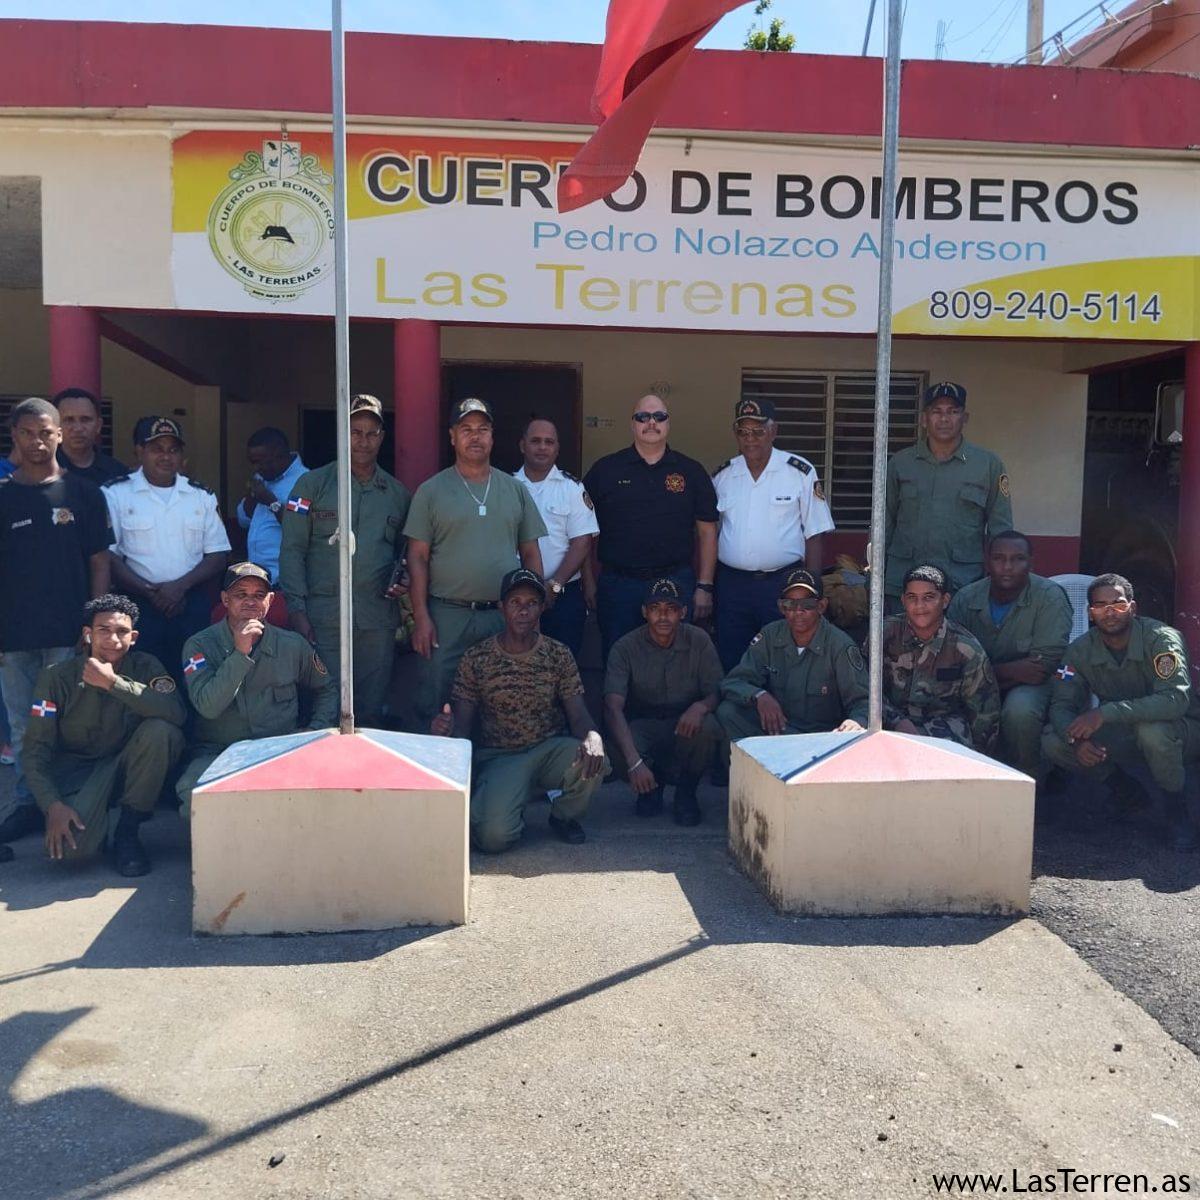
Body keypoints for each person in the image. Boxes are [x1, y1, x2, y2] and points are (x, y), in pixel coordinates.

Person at [432, 568, 606, 852]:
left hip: (548, 750)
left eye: (532, 603)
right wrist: (445, 730)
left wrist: (593, 736)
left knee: (595, 757)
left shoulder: (558, 653)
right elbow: (462, 726)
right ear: (502, 607)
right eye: (515, 602)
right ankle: (507, 807)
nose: (523, 611)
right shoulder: (477, 658)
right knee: (492, 839)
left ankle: (564, 816)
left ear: (542, 608)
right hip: (501, 758)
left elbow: (578, 714)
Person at [0, 398, 110, 847]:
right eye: (28, 433)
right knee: (24, 726)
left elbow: (99, 561)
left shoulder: (84, 494)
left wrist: (95, 623)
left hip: (69, 634)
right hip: (13, 638)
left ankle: (67, 803)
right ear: (14, 436)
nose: (38, 441)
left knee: (65, 724)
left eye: (46, 432)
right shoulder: (3, 496)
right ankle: (29, 803)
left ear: (59, 434)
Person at [22, 594, 186, 875]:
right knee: (73, 851)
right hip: (80, 774)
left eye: (122, 631)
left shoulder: (146, 666)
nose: (113, 639)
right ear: (88, 634)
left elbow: (176, 713)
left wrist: (114, 684)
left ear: (133, 637)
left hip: (129, 767)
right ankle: (94, 819)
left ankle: (128, 831)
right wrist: (52, 805)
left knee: (163, 732)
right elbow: (35, 750)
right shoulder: (57, 677)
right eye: (103, 630)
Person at [405, 397, 546, 721]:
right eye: (466, 429)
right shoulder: (431, 491)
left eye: (482, 429)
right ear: (452, 436)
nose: (475, 436)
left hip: (502, 615)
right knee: (437, 699)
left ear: (492, 437)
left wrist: (534, 611)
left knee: (503, 700)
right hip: (446, 615)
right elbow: (417, 556)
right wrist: (421, 616)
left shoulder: (514, 489)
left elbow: (530, 553)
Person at [1041, 573, 1200, 852]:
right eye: (1100, 606)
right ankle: (1126, 791)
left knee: (1153, 731)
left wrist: (1105, 713)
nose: (1110, 612)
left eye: (1118, 603)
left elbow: (1175, 700)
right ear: (1090, 613)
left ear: (1133, 608)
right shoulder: (1079, 651)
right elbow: (1061, 705)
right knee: (1054, 740)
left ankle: (1176, 810)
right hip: (1126, 731)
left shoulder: (1161, 640)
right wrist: (1076, 742)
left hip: (1180, 731)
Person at [279, 396, 409, 724]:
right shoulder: (311, 486)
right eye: (355, 432)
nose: (363, 441)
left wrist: (403, 579)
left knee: (370, 710)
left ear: (381, 437)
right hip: (323, 619)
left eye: (371, 433)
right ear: (342, 433)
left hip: (376, 621)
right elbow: (292, 550)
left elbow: (407, 555)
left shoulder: (397, 494)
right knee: (324, 705)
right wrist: (296, 610)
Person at [175, 562, 339, 813]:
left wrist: (314, 730)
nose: (250, 602)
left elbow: (327, 688)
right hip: (219, 750)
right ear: (225, 600)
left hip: (279, 749)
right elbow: (208, 707)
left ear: (270, 600)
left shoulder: (292, 645)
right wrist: (240, 653)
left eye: (259, 595)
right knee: (194, 795)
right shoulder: (199, 646)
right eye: (241, 594)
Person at [584, 395, 718, 658]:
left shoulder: (691, 471)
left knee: (675, 660)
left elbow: (707, 532)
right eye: (643, 417)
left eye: (659, 417)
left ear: (668, 423)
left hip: (675, 581)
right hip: (619, 585)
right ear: (632, 424)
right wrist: (589, 582)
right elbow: (583, 532)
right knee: (617, 658)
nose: (651, 423)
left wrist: (705, 586)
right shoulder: (605, 470)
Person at [712, 397, 835, 671]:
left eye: (758, 431)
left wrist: (811, 589)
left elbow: (815, 534)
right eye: (743, 432)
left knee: (784, 658)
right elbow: (711, 533)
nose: (750, 439)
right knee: (732, 657)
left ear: (773, 431)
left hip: (783, 583)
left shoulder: (799, 472)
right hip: (732, 585)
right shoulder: (723, 476)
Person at [103, 416, 230, 679]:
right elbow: (108, 557)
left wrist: (179, 588)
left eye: (173, 450)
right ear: (139, 451)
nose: (166, 456)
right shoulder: (116, 493)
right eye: (156, 449)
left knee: (194, 677)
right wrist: (152, 593)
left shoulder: (200, 495)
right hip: (138, 605)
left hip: (190, 604)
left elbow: (218, 554)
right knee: (143, 679)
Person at [947, 531, 1072, 780]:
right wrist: (1011, 671)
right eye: (999, 558)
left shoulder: (1050, 597)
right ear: (987, 562)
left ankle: (1028, 777)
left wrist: (981, 674)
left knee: (1019, 710)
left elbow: (1041, 669)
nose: (1007, 567)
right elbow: (951, 661)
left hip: (1035, 686)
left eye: (1018, 559)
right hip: (976, 685)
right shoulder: (966, 598)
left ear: (1031, 563)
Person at [604, 578, 724, 825]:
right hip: (645, 723)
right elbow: (612, 707)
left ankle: (686, 792)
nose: (663, 616)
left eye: (671, 609)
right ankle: (650, 788)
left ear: (683, 612)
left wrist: (700, 707)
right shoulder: (625, 647)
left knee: (709, 726)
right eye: (655, 608)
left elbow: (717, 690)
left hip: (684, 722)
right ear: (644, 612)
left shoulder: (699, 640)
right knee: (615, 742)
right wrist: (634, 762)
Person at [884, 381, 1012, 606]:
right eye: (937, 411)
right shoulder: (900, 463)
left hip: (963, 585)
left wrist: (997, 582)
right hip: (904, 584)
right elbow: (884, 523)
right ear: (924, 419)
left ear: (965, 418)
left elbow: (1000, 530)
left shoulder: (988, 465)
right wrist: (874, 575)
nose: (944, 419)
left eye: (953, 411)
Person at [717, 569, 868, 740]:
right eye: (790, 604)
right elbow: (734, 682)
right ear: (781, 607)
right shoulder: (770, 636)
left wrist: (856, 722)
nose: (798, 611)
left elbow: (863, 701)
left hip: (821, 738)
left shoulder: (839, 645)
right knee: (728, 712)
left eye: (807, 604)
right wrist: (759, 696)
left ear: (821, 606)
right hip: (780, 730)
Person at [881, 564, 1000, 752]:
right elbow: (864, 691)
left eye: (929, 597)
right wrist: (897, 721)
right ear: (903, 600)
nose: (920, 606)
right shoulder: (883, 634)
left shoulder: (966, 649)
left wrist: (976, 760)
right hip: (889, 722)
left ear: (945, 601)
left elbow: (984, 716)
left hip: (943, 727)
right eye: (912, 598)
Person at [514, 417, 599, 660]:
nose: (542, 447)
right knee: (518, 664)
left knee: (563, 663)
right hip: (515, 594)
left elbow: (582, 542)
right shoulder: (506, 486)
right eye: (535, 441)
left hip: (563, 593)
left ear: (557, 448)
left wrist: (555, 585)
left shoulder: (571, 488)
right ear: (522, 445)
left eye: (549, 442)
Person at [235, 427, 307, 585]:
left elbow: (300, 527)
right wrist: (252, 495)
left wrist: (271, 502)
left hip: (285, 581)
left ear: (279, 454)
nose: (256, 468)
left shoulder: (304, 482)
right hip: (257, 578)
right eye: (253, 462)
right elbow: (242, 520)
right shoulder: (262, 477)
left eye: (261, 461)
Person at [51, 387, 128, 484]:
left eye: (85, 420)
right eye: (69, 420)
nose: (78, 428)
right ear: (54, 425)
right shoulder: (41, 471)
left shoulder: (117, 473)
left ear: (98, 426)